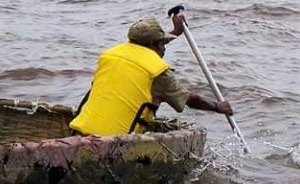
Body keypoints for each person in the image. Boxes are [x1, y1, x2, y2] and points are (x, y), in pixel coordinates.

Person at [69, 14, 232, 136]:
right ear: (154, 44)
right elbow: (189, 99)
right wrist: (218, 106)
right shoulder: (158, 73)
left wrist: (175, 32)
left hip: (79, 131)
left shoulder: (110, 56)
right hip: (117, 142)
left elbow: (146, 49)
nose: (164, 49)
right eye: (162, 44)